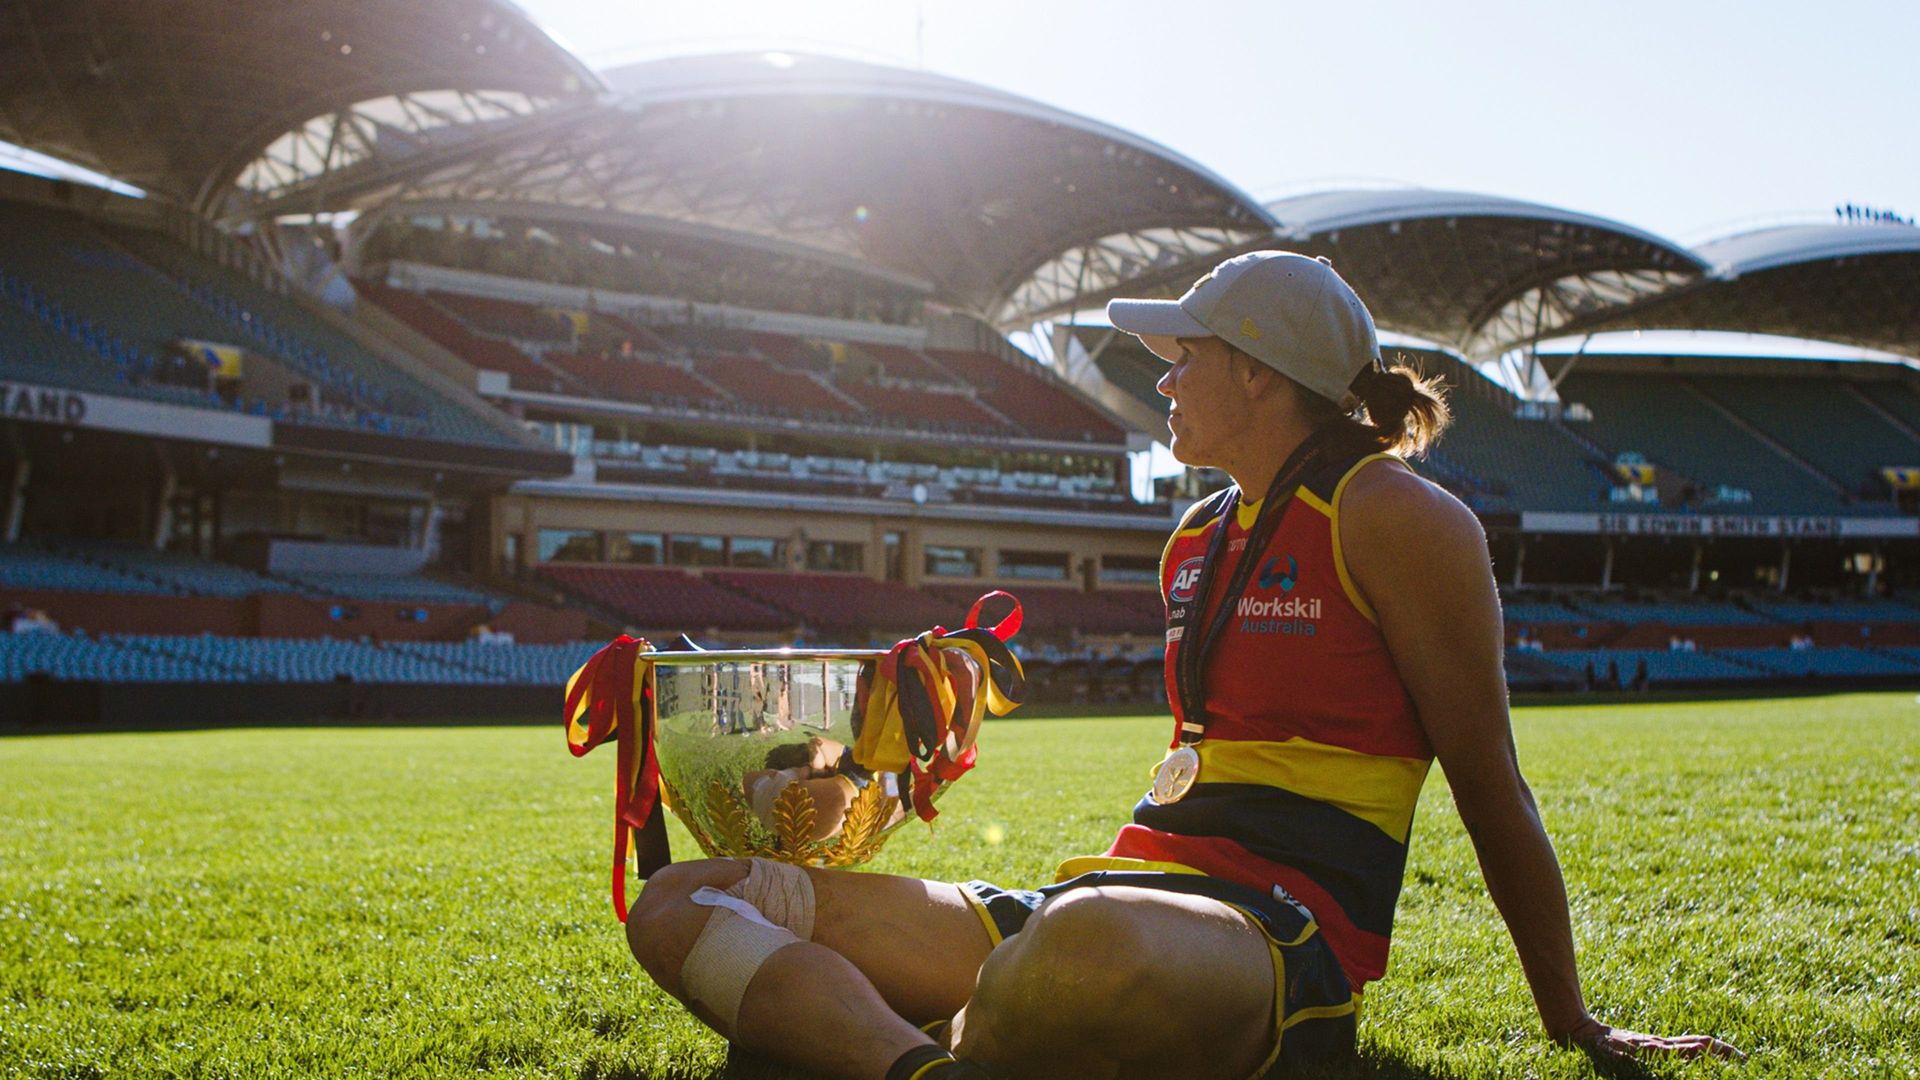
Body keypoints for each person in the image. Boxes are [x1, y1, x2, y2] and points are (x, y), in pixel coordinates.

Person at [622, 252, 1740, 1078]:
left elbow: (1490, 781)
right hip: (1108, 900)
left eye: (1182, 359)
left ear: (1257, 374)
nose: (1160, 383)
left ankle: (875, 1042)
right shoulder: (1197, 533)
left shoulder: (1401, 518)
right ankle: (922, 1063)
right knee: (685, 899)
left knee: (1074, 951)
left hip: (1272, 939)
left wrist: (1569, 1017)